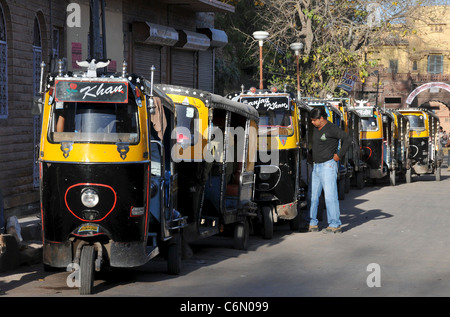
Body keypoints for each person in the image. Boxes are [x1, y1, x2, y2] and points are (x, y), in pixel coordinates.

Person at [305, 107, 352, 234]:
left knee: (330, 197)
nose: (312, 122)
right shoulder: (315, 129)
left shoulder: (332, 129)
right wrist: (310, 154)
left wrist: (338, 155)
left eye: (314, 120)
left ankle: (335, 224)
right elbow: (315, 145)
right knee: (312, 197)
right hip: (316, 167)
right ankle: (312, 223)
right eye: (311, 120)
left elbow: (347, 140)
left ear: (322, 118)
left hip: (328, 166)